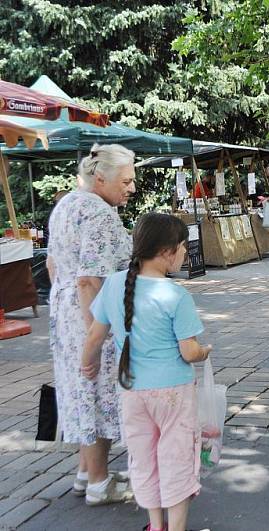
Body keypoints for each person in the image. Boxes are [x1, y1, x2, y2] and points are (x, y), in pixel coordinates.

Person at [81, 213, 211, 531]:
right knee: (176, 459)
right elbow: (189, 352)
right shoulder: (176, 295)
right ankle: (176, 527)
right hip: (173, 393)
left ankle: (155, 525)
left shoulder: (114, 285)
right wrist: (205, 351)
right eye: (183, 247)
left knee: (144, 459)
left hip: (132, 391)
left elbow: (94, 337)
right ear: (168, 251)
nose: (185, 252)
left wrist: (88, 365)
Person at [47, 143, 136, 505]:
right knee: (96, 389)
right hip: (90, 313)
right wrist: (94, 339)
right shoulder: (98, 213)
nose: (131, 188)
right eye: (126, 181)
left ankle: (86, 473)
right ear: (101, 178)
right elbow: (89, 280)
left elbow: (54, 267)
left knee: (79, 391)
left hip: (64, 312)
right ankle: (99, 483)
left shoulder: (66, 204)